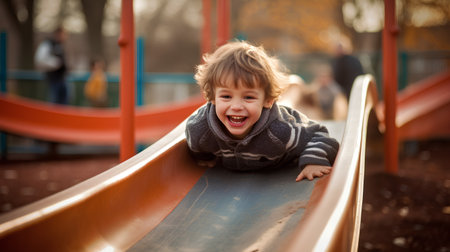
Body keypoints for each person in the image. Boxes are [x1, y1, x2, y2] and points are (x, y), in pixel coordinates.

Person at [185, 41, 339, 182]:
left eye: (248, 97)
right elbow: (197, 148)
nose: (236, 106)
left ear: (268, 101)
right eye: (226, 96)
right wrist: (205, 158)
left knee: (290, 104)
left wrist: (313, 161)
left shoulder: (281, 129)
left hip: (280, 169)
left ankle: (295, 86)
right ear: (212, 97)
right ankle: (292, 87)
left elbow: (320, 135)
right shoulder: (200, 129)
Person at [35, 27, 69, 105]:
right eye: (63, 34)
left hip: (62, 78)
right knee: (54, 100)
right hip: (53, 78)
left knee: (64, 100)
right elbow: (39, 59)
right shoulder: (48, 44)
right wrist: (55, 64)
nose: (65, 37)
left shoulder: (60, 45)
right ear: (58, 34)